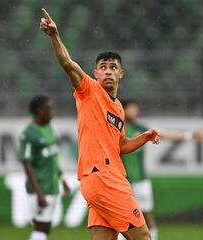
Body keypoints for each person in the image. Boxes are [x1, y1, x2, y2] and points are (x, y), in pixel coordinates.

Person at [39, 8, 161, 240]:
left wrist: (144, 137)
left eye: (113, 67)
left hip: (98, 179)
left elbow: (121, 144)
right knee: (143, 236)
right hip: (104, 176)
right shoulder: (89, 90)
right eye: (103, 67)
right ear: (95, 73)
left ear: (121, 73)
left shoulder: (118, 108)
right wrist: (55, 36)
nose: (107, 72)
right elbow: (67, 63)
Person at [117, 99, 203, 240]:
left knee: (146, 215)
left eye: (136, 109)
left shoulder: (141, 128)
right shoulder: (118, 129)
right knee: (123, 217)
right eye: (132, 108)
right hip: (122, 182)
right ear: (124, 110)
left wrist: (188, 135)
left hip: (140, 181)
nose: (135, 112)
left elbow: (163, 134)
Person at [20, 95, 70, 240]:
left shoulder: (48, 129)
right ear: (40, 111)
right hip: (40, 188)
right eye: (50, 109)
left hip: (51, 186)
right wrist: (39, 194)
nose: (52, 112)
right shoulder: (28, 134)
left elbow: (53, 159)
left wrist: (64, 181)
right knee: (41, 228)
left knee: (44, 228)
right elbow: (27, 164)